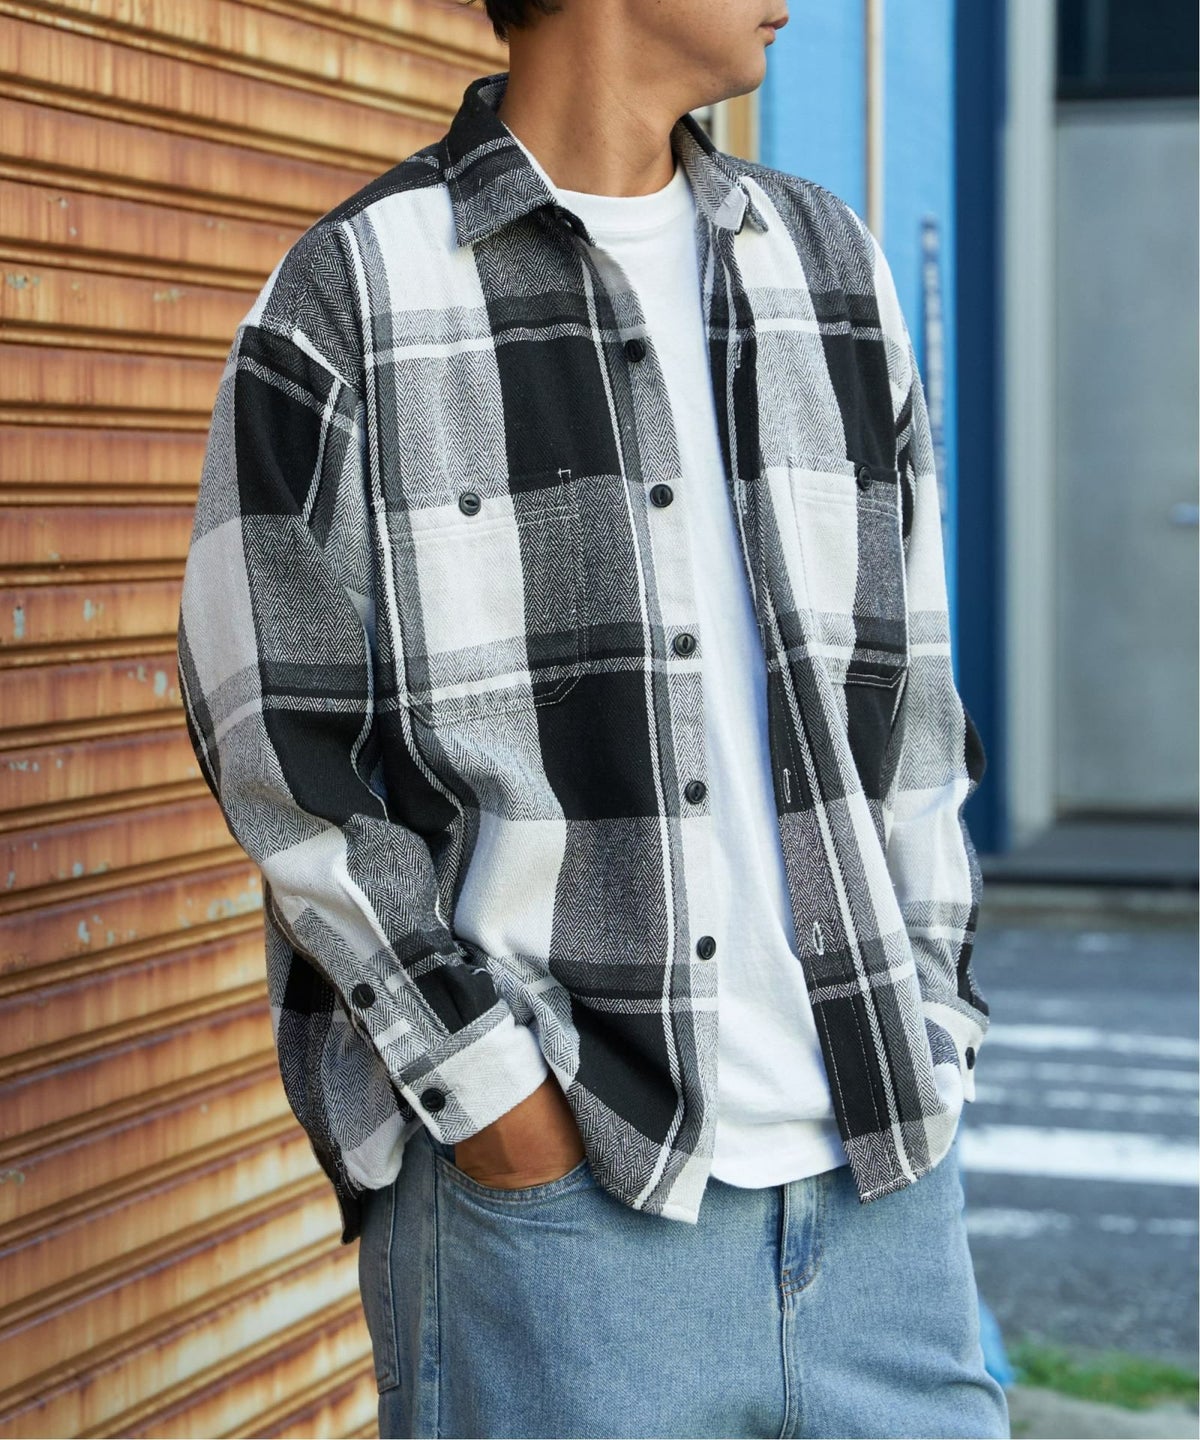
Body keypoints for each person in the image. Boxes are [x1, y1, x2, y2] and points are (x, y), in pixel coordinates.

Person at [175, 1, 1009, 1435]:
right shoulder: (357, 293)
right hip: (568, 1227)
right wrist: (497, 1103)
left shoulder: (830, 269)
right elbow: (278, 750)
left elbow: (913, 707)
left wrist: (934, 1012)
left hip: (886, 1195)